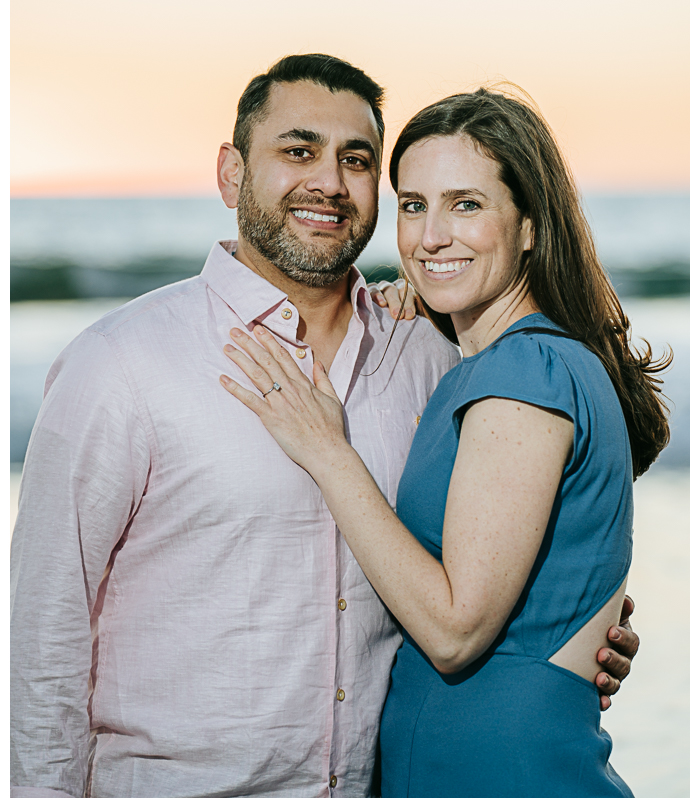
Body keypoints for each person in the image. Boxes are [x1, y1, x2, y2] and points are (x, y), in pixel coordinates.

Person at [10, 58, 637, 799]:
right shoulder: (119, 366)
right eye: (298, 152)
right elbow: (41, 639)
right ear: (232, 175)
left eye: (358, 160)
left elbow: (502, 552)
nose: (331, 183)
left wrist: (570, 622)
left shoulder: (433, 359)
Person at [219, 84, 670, 798]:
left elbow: (456, 630)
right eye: (413, 205)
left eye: (466, 204)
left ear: (528, 225)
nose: (430, 237)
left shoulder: (527, 368)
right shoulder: (500, 364)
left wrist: (328, 450)